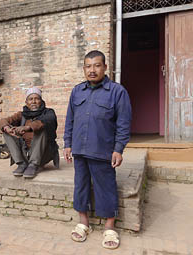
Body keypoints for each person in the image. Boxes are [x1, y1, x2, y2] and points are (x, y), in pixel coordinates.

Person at [64, 50, 131, 249]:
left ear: (105, 67)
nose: (92, 70)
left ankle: (110, 227)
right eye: (88, 66)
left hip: (103, 149)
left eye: (96, 65)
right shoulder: (77, 91)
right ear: (84, 68)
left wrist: (119, 148)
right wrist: (68, 143)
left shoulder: (117, 92)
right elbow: (70, 120)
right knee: (81, 185)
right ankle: (83, 222)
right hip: (80, 149)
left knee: (106, 186)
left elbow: (124, 123)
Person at [0, 87, 59, 178]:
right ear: (26, 103)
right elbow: (3, 120)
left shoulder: (49, 112)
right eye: (30, 99)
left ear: (41, 101)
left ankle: (34, 165)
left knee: (42, 128)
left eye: (37, 99)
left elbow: (47, 121)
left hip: (43, 153)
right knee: (5, 130)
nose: (34, 102)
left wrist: (28, 127)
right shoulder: (22, 115)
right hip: (26, 153)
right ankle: (21, 164)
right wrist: (7, 128)